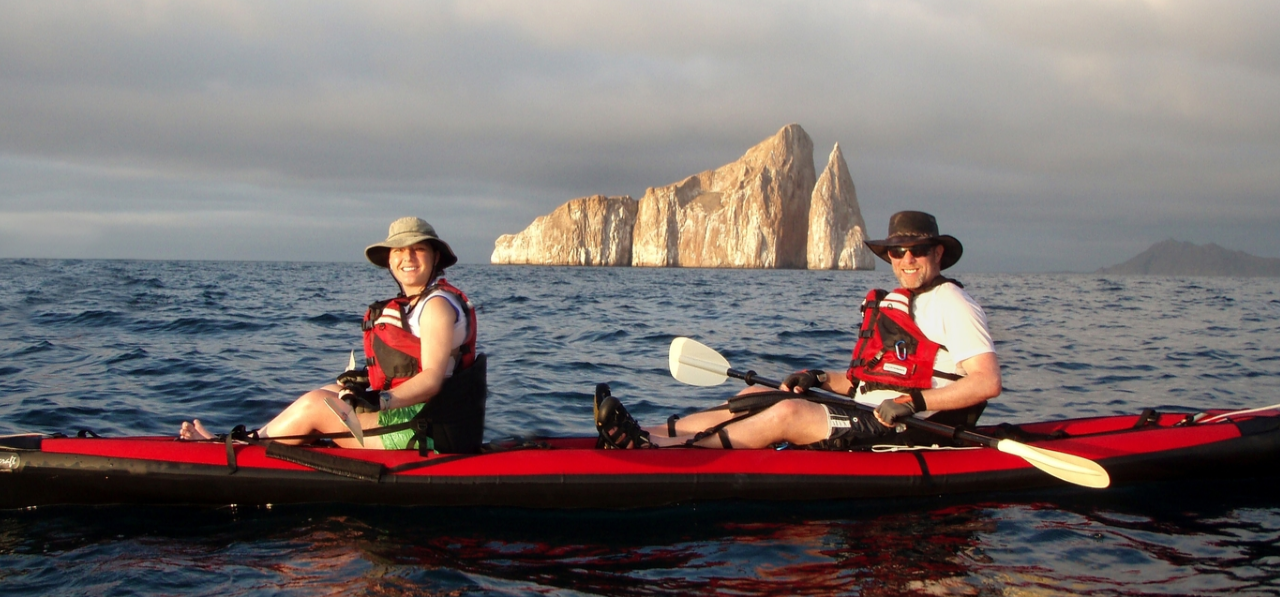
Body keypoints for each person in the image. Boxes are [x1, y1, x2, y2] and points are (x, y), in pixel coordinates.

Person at [595, 210, 1000, 450]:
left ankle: (667, 450)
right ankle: (646, 431)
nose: (907, 259)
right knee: (757, 394)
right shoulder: (898, 302)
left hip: (910, 427)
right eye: (898, 252)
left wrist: (913, 403)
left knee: (787, 412)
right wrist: (821, 377)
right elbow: (865, 381)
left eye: (918, 251)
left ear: (938, 253)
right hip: (868, 410)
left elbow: (986, 382)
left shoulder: (953, 303)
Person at [180, 217, 486, 452]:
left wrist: (379, 400)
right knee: (331, 391)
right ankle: (254, 440)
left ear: (435, 257)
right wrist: (364, 387)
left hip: (425, 430)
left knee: (317, 405)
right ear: (390, 260)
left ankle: (237, 451)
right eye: (399, 250)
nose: (408, 258)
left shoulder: (436, 308)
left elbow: (432, 378)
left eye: (418, 249)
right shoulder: (420, 303)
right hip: (423, 416)